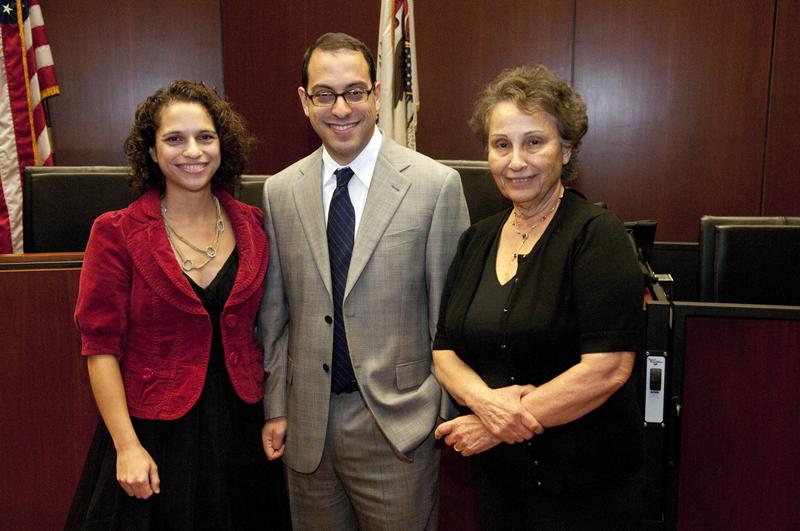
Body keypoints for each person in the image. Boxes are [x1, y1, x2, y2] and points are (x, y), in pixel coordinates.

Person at [259, 32, 470, 530]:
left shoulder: (435, 186)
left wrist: (437, 414)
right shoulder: (279, 192)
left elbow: (450, 316)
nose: (341, 108)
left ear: (377, 95)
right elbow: (275, 315)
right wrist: (276, 406)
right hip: (307, 430)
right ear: (304, 101)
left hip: (399, 430)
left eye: (354, 91)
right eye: (324, 94)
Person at [66, 80, 287, 530]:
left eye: (205, 137)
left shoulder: (254, 225)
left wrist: (277, 412)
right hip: (153, 430)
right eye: (174, 138)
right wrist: (126, 445)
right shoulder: (116, 232)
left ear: (222, 145)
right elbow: (100, 348)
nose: (193, 151)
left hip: (243, 429)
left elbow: (271, 327)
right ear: (151, 151)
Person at [432, 64, 645, 530]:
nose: (516, 161)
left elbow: (608, 368)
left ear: (566, 150)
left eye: (535, 142)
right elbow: (444, 350)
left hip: (585, 487)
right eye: (501, 145)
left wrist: (493, 424)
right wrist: (487, 406)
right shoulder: (476, 240)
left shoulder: (597, 234)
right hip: (500, 483)